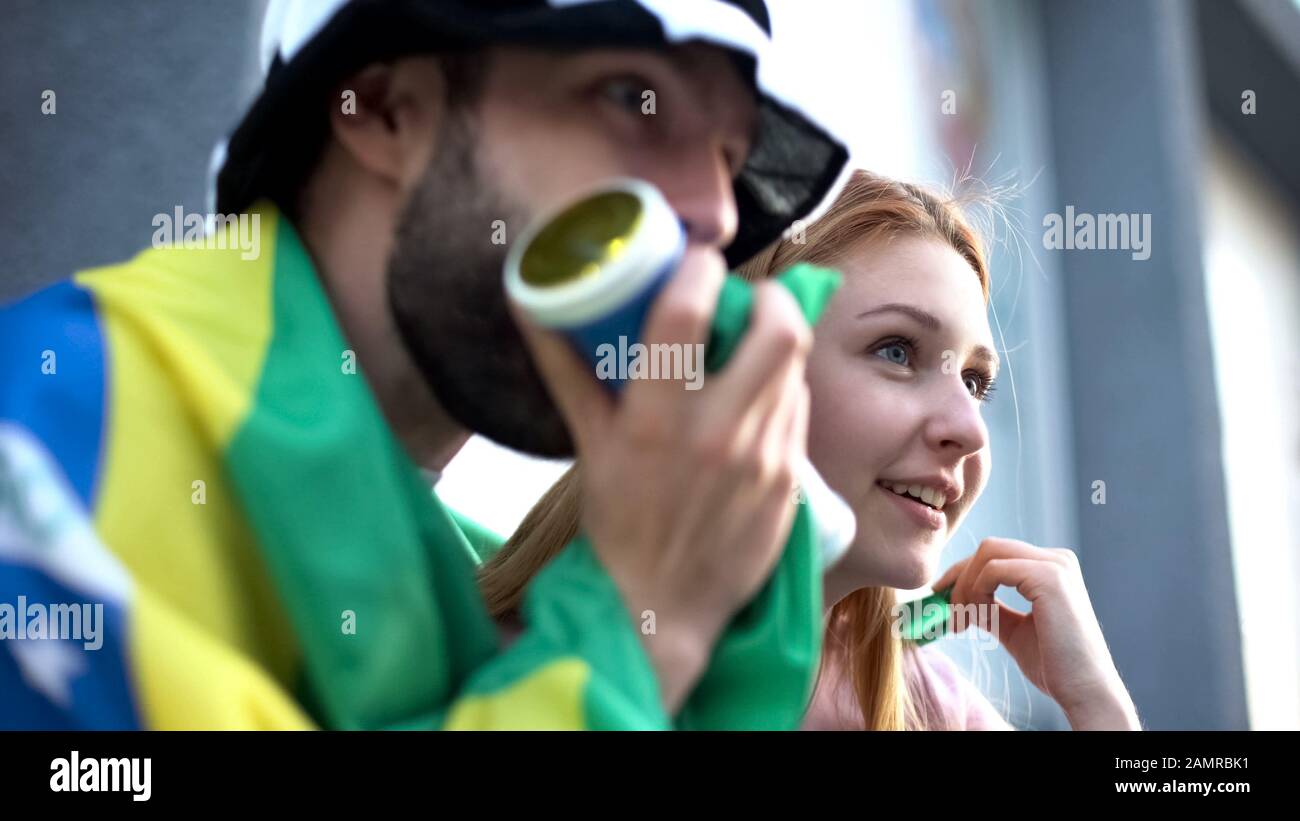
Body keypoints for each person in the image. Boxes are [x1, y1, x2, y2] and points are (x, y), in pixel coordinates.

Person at [0, 0, 849, 729]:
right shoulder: (55, 438)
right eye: (632, 97)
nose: (713, 212)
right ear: (380, 110)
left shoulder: (481, 581)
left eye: (732, 159)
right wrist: (635, 624)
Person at [482, 170, 1144, 730]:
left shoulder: (932, 709)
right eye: (896, 350)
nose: (968, 428)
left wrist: (1099, 705)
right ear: (739, 364)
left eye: (975, 381)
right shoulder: (510, 657)